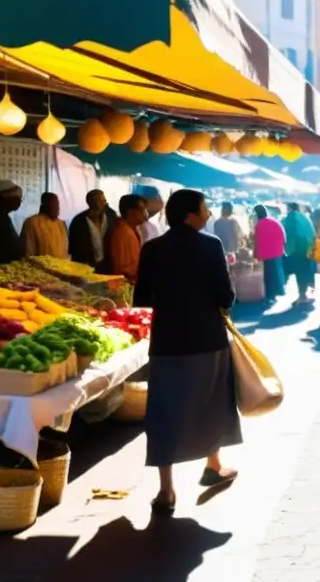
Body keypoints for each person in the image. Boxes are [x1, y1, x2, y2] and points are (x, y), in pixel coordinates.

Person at [133, 189, 241, 514]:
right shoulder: (211, 246)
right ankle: (213, 464)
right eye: (204, 208)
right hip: (207, 339)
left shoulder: (152, 248)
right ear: (189, 214)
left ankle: (166, 491)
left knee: (165, 409)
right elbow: (226, 296)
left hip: (166, 342)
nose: (208, 214)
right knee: (211, 401)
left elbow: (140, 300)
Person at [104, 194, 148, 284]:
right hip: (125, 284)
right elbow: (124, 268)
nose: (145, 213)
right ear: (131, 212)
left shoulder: (130, 228)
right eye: (142, 209)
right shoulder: (124, 233)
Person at [69, 190, 118, 269]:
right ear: (90, 203)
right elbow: (73, 246)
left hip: (107, 263)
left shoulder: (110, 216)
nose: (104, 203)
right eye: (100, 201)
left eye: (104, 200)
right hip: (86, 265)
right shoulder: (78, 221)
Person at [282, 202, 316, 304]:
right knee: (303, 272)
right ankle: (303, 294)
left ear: (289, 208)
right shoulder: (305, 219)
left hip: (292, 250)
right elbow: (312, 233)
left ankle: (302, 296)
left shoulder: (287, 219)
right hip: (306, 250)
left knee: (297, 272)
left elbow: (283, 233)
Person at [253, 205, 287, 305]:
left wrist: (255, 254)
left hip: (266, 253)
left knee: (268, 276)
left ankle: (269, 297)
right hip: (277, 252)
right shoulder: (275, 221)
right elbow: (284, 237)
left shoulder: (259, 224)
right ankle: (275, 295)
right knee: (276, 274)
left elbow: (257, 241)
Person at [21, 192, 68, 259]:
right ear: (45, 205)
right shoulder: (32, 222)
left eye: (57, 204)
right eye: (54, 204)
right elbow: (28, 250)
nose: (57, 207)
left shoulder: (60, 224)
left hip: (61, 267)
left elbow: (65, 250)